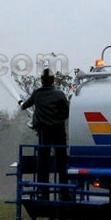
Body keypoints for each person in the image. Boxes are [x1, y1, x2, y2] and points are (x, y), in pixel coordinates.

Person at [18, 68, 70, 200]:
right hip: (59, 132)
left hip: (44, 132)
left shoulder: (37, 94)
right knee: (61, 162)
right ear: (53, 80)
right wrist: (57, 120)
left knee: (43, 163)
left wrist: (21, 103)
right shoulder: (60, 94)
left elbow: (24, 106)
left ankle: (43, 193)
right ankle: (64, 193)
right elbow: (66, 113)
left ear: (42, 80)